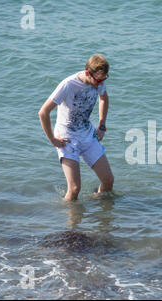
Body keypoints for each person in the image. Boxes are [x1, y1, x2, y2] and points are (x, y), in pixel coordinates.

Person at [38, 54, 114, 201]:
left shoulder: (100, 81)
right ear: (87, 73)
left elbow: (103, 97)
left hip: (87, 135)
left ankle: (102, 216)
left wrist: (102, 125)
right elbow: (43, 112)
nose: (100, 84)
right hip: (67, 139)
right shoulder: (68, 85)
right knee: (74, 189)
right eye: (98, 80)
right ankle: (69, 223)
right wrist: (53, 140)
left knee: (108, 180)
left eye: (104, 79)